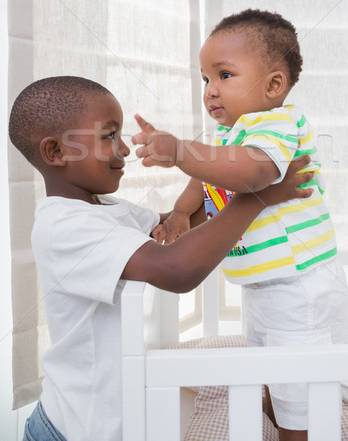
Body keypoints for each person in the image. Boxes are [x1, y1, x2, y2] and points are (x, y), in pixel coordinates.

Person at [8, 75, 313, 441]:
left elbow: (176, 229)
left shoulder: (102, 208)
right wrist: (259, 197)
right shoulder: (63, 226)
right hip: (75, 430)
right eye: (108, 136)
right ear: (57, 152)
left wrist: (239, 171)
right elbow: (177, 269)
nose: (123, 149)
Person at [133, 8, 348, 441]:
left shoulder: (276, 125)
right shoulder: (230, 134)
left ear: (274, 85)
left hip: (299, 285)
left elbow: (251, 173)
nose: (210, 91)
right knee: (266, 361)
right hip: (263, 284)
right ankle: (279, 400)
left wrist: (178, 150)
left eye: (224, 75)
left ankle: (297, 428)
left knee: (299, 388)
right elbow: (208, 174)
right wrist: (180, 211)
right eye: (205, 79)